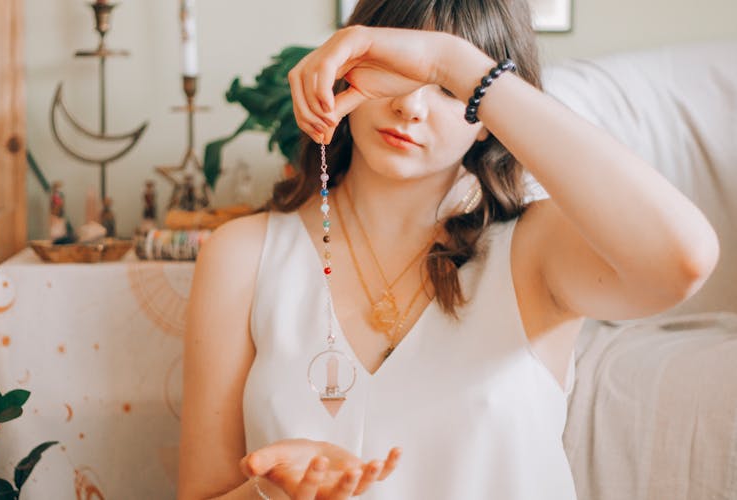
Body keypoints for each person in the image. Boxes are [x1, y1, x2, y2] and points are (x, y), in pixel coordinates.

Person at [177, 1, 719, 499]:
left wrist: (456, 63)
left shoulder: (536, 252)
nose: (411, 106)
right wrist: (272, 493)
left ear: (488, 120)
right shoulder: (242, 255)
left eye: (447, 90)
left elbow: (683, 260)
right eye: (400, 71)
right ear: (349, 67)